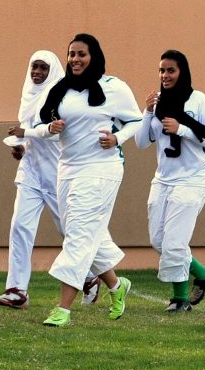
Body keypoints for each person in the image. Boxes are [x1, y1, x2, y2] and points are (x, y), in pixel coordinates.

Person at [36, 33, 141, 327]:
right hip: (67, 170)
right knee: (81, 233)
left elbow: (136, 120)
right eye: (71, 54)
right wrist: (50, 128)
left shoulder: (114, 87)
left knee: (79, 236)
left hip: (101, 170)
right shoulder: (61, 89)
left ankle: (63, 309)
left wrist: (117, 138)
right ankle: (117, 286)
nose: (75, 59)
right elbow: (42, 125)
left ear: (93, 56)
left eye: (81, 54)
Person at [0, 51, 101, 309]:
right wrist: (21, 147)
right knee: (20, 227)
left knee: (70, 232)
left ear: (52, 70)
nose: (37, 72)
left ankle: (90, 277)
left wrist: (26, 132)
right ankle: (17, 290)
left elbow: (56, 133)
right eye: (34, 66)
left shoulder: (60, 95)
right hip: (31, 172)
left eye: (43, 68)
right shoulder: (29, 94)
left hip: (57, 174)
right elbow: (29, 134)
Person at [134, 50, 205, 312]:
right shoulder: (157, 103)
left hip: (192, 179)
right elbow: (141, 142)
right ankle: (203, 274)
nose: (165, 75)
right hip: (163, 180)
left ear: (182, 71)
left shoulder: (198, 99)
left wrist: (182, 129)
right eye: (161, 70)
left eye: (170, 70)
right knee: (159, 241)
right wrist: (147, 112)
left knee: (174, 243)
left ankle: (180, 299)